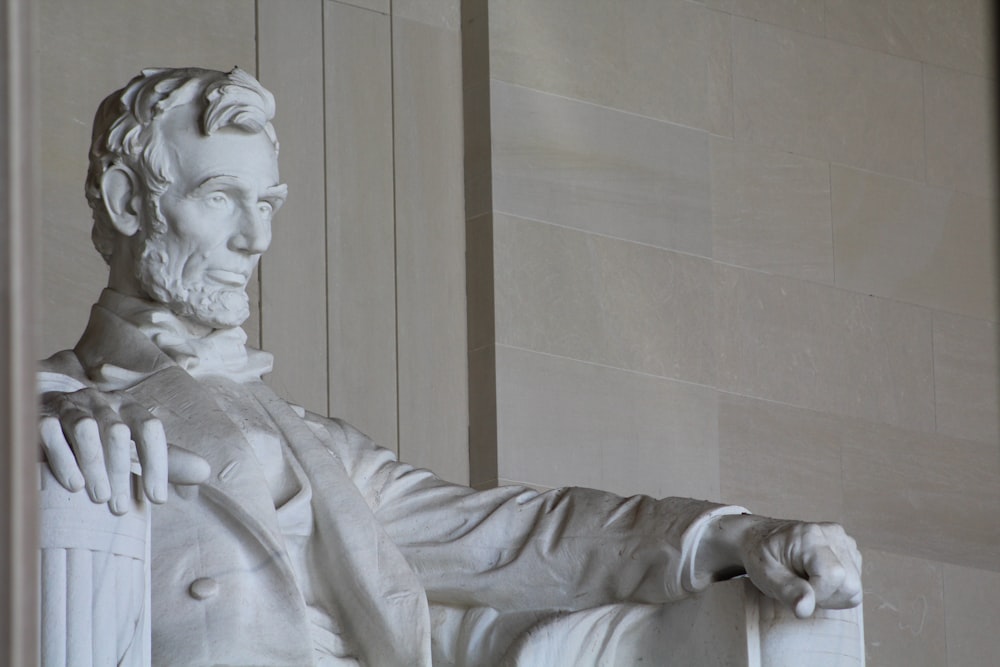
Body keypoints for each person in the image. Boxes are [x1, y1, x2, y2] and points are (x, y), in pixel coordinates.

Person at [38, 67, 862, 667]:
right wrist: (39, 443)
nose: (255, 240)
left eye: (268, 205)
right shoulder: (46, 411)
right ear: (124, 199)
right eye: (222, 198)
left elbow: (509, 532)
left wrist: (732, 534)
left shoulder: (318, 447)